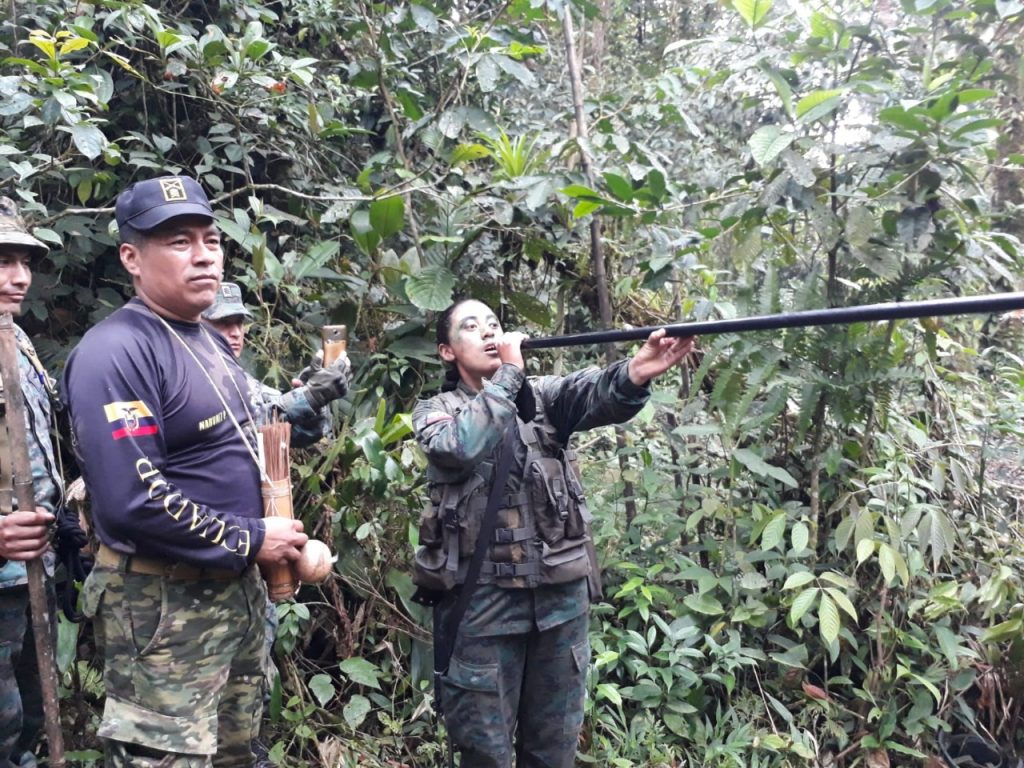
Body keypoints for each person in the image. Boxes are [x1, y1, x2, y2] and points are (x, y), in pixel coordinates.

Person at [62, 176, 308, 768]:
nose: (203, 255)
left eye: (211, 239)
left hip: (234, 597)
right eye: (178, 241)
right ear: (131, 258)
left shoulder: (206, 340)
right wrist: (252, 537)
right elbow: (131, 500)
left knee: (236, 753)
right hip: (164, 606)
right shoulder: (115, 352)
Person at [412, 298, 695, 768]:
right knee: (485, 754)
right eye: (471, 326)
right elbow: (458, 447)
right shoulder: (436, 411)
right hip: (482, 608)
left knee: (554, 751)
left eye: (495, 324)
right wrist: (507, 376)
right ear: (447, 351)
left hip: (560, 604)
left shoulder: (543, 397)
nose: (488, 333)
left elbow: (595, 391)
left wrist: (639, 369)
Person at [0, 198, 63, 768]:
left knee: (30, 719)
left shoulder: (14, 340)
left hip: (29, 572)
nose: (18, 277)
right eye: (1, 260)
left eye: (23, 261)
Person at [201, 281, 350, 447]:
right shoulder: (189, 379)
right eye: (224, 322)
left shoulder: (243, 380)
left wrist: (315, 396)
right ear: (198, 325)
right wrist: (308, 397)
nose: (236, 332)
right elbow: (241, 431)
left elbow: (300, 434)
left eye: (239, 322)